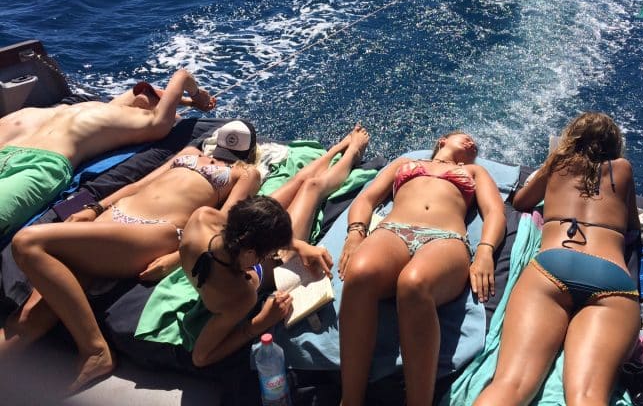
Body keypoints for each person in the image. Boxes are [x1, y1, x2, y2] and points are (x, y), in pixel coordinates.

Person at [3, 119, 257, 394]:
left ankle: (95, 349)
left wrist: (177, 255)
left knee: (28, 243)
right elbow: (139, 184)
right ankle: (93, 354)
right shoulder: (190, 154)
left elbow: (223, 222)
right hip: (113, 219)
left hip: (155, 230)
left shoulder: (245, 173)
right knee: (28, 316)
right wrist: (95, 207)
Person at [474, 112, 641, 406]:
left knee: (512, 385)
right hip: (610, 276)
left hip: (554, 264)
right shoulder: (623, 169)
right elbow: (632, 226)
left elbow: (522, 201)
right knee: (588, 396)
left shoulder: (557, 162)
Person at [179, 124, 370, 368]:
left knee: (300, 179)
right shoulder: (239, 295)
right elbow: (201, 357)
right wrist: (261, 322)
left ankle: (338, 148)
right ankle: (352, 150)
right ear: (253, 254)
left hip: (237, 247)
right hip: (250, 274)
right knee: (311, 188)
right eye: (269, 251)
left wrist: (298, 245)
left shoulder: (202, 219)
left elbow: (228, 233)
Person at [337, 131, 506, 406]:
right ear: (441, 140)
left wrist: (485, 249)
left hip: (444, 237)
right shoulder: (404, 163)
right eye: (464, 138)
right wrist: (355, 233)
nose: (472, 143)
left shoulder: (476, 170)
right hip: (393, 230)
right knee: (359, 273)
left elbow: (495, 212)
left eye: (474, 144)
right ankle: (350, 400)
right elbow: (367, 199)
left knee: (414, 284)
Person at [0, 68, 216, 238]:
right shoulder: (121, 116)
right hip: (33, 159)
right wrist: (197, 97)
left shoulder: (78, 111)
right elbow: (181, 76)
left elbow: (148, 91)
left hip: (21, 153)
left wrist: (188, 100)